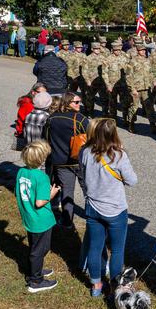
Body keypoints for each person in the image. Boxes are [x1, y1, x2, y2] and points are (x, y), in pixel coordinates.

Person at [79, 118, 138, 297]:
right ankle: (115, 286)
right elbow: (132, 180)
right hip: (115, 209)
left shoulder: (85, 151)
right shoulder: (118, 155)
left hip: (93, 206)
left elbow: (82, 174)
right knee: (117, 249)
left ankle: (96, 285)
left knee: (95, 247)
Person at [14, 140, 61, 293]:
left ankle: (36, 269)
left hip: (29, 217)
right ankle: (36, 281)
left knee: (35, 246)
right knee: (40, 249)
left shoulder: (21, 172)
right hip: (41, 220)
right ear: (41, 159)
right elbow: (40, 202)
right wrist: (51, 193)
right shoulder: (41, 177)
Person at [44, 92, 90, 228]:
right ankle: (92, 218)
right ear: (67, 102)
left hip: (60, 162)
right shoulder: (81, 119)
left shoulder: (51, 119)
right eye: (76, 102)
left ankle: (67, 220)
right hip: (80, 161)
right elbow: (91, 140)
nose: (79, 104)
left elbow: (46, 139)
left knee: (67, 191)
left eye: (79, 102)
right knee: (88, 191)